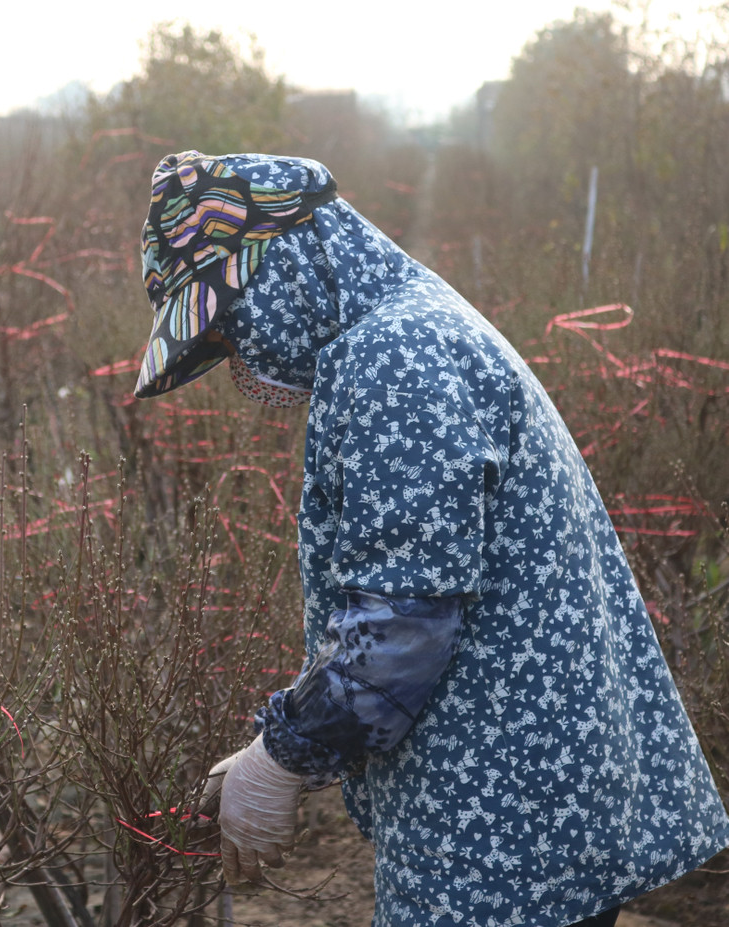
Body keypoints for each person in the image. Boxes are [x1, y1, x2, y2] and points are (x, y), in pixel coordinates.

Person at [132, 151, 729, 927]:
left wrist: (281, 756)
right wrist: (279, 742)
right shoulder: (404, 326)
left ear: (274, 263)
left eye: (227, 323)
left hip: (505, 824)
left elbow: (401, 625)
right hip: (523, 795)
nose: (236, 354)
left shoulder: (396, 359)